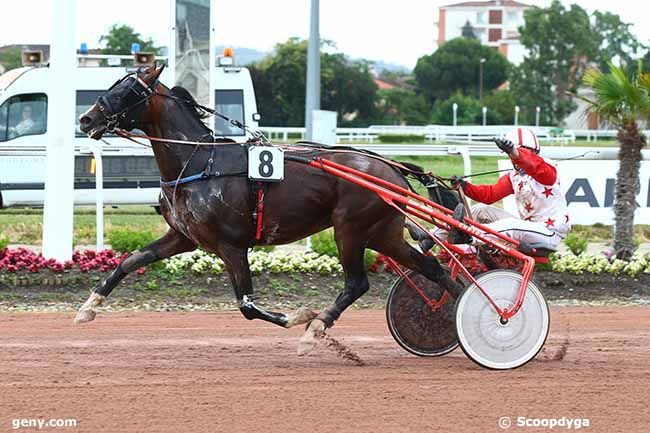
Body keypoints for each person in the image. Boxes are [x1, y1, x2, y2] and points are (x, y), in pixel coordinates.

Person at [411, 127, 571, 251]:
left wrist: (515, 152)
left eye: (521, 152)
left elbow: (539, 170)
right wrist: (466, 187)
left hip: (550, 231)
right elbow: (490, 194)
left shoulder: (548, 167)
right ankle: (431, 237)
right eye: (511, 154)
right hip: (528, 228)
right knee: (480, 209)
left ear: (534, 152)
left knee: (511, 225)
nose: (514, 159)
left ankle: (468, 236)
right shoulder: (514, 177)